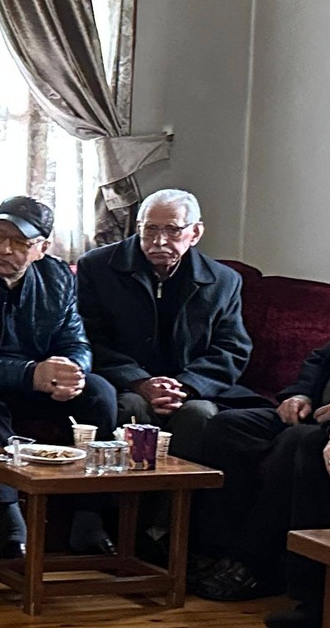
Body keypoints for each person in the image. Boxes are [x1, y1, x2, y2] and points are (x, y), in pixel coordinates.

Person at [0, 196, 117, 559]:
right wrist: (32, 374)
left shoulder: (58, 277)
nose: (3, 249)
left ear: (42, 248)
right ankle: (8, 519)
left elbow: (76, 340)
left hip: (32, 383)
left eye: (19, 242)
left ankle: (89, 516)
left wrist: (72, 372)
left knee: (99, 393)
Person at [201, 283, 330, 624]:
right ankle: (217, 554)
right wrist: (300, 394)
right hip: (325, 411)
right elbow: (324, 355)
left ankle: (264, 569)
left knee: (300, 443)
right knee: (229, 427)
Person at [76, 188, 259, 470]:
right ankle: (124, 496)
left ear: (195, 233)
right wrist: (139, 382)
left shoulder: (223, 280)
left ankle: (177, 498)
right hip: (125, 384)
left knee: (199, 414)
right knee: (132, 408)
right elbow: (88, 337)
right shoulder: (98, 267)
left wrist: (185, 386)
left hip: (191, 390)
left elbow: (232, 348)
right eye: (150, 229)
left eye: (173, 230)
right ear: (138, 228)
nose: (159, 241)